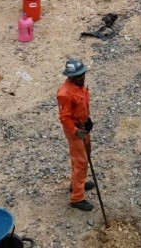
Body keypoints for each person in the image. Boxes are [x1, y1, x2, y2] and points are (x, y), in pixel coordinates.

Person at [57, 58, 95, 212]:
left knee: (86, 155)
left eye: (83, 74)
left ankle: (77, 183)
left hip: (83, 126)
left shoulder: (79, 86)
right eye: (79, 75)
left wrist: (87, 120)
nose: (82, 77)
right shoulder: (64, 93)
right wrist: (75, 131)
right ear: (71, 77)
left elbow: (82, 105)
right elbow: (64, 117)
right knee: (81, 162)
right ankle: (77, 198)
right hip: (75, 130)